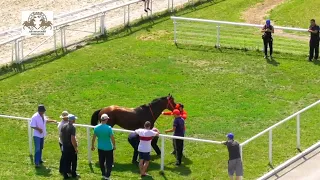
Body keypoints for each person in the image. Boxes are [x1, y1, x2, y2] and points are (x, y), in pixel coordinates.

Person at [91, 114, 116, 180]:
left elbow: (93, 138)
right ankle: (107, 175)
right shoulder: (109, 128)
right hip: (108, 148)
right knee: (109, 162)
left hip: (100, 147)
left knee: (101, 161)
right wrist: (114, 145)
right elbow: (112, 138)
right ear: (106, 120)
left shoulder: (96, 127)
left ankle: (103, 174)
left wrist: (92, 145)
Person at [60, 114, 79, 179]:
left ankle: (65, 174)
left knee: (66, 160)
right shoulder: (72, 128)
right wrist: (75, 147)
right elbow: (72, 138)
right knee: (73, 160)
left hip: (65, 145)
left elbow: (61, 135)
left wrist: (63, 143)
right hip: (70, 147)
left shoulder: (64, 126)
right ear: (73, 120)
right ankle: (73, 173)